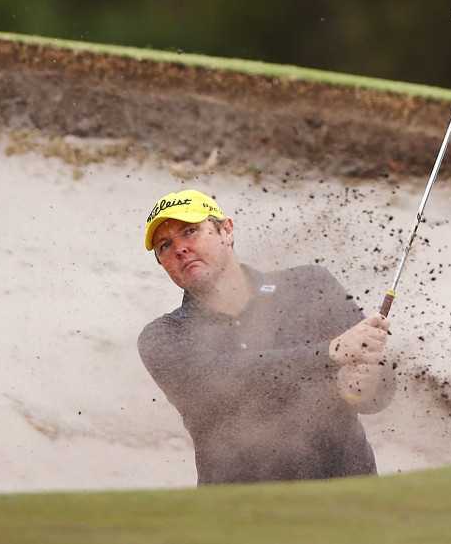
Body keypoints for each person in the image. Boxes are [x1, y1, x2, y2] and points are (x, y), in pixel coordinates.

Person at [138, 186, 394, 485]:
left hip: (350, 500)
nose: (180, 248)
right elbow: (219, 381)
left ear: (226, 231)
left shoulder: (311, 286)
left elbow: (376, 396)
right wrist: (327, 355)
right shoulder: (163, 336)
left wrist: (367, 382)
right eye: (165, 246)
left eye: (190, 231)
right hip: (242, 517)